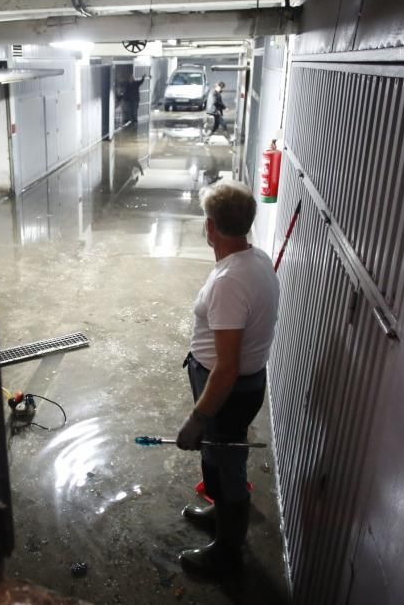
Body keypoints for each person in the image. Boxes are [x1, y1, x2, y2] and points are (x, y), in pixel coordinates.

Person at [176, 181, 280, 578]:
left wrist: (197, 418)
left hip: (227, 390)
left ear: (210, 228)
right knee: (219, 458)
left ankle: (226, 552)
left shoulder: (229, 283)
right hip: (237, 388)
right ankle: (219, 511)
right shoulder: (255, 261)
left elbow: (227, 366)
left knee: (227, 466)